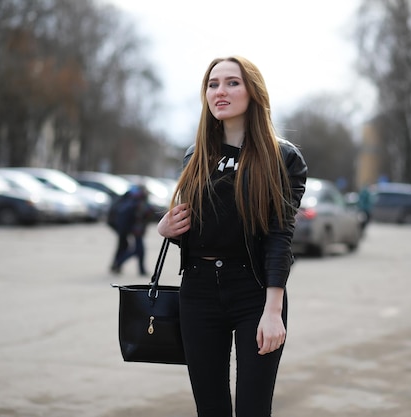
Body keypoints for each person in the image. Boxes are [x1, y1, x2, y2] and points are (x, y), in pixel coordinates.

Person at [157, 56, 307, 417]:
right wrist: (167, 230)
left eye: (232, 83)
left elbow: (279, 235)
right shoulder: (196, 155)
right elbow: (202, 226)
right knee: (210, 408)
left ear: (253, 92)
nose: (220, 91)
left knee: (253, 409)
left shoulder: (282, 157)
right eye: (213, 84)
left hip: (253, 293)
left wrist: (273, 310)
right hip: (199, 292)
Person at [110, 185, 154, 275]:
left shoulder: (136, 200)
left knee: (138, 250)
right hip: (137, 230)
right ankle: (118, 263)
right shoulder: (140, 202)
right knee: (138, 250)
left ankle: (141, 270)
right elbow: (144, 213)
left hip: (135, 229)